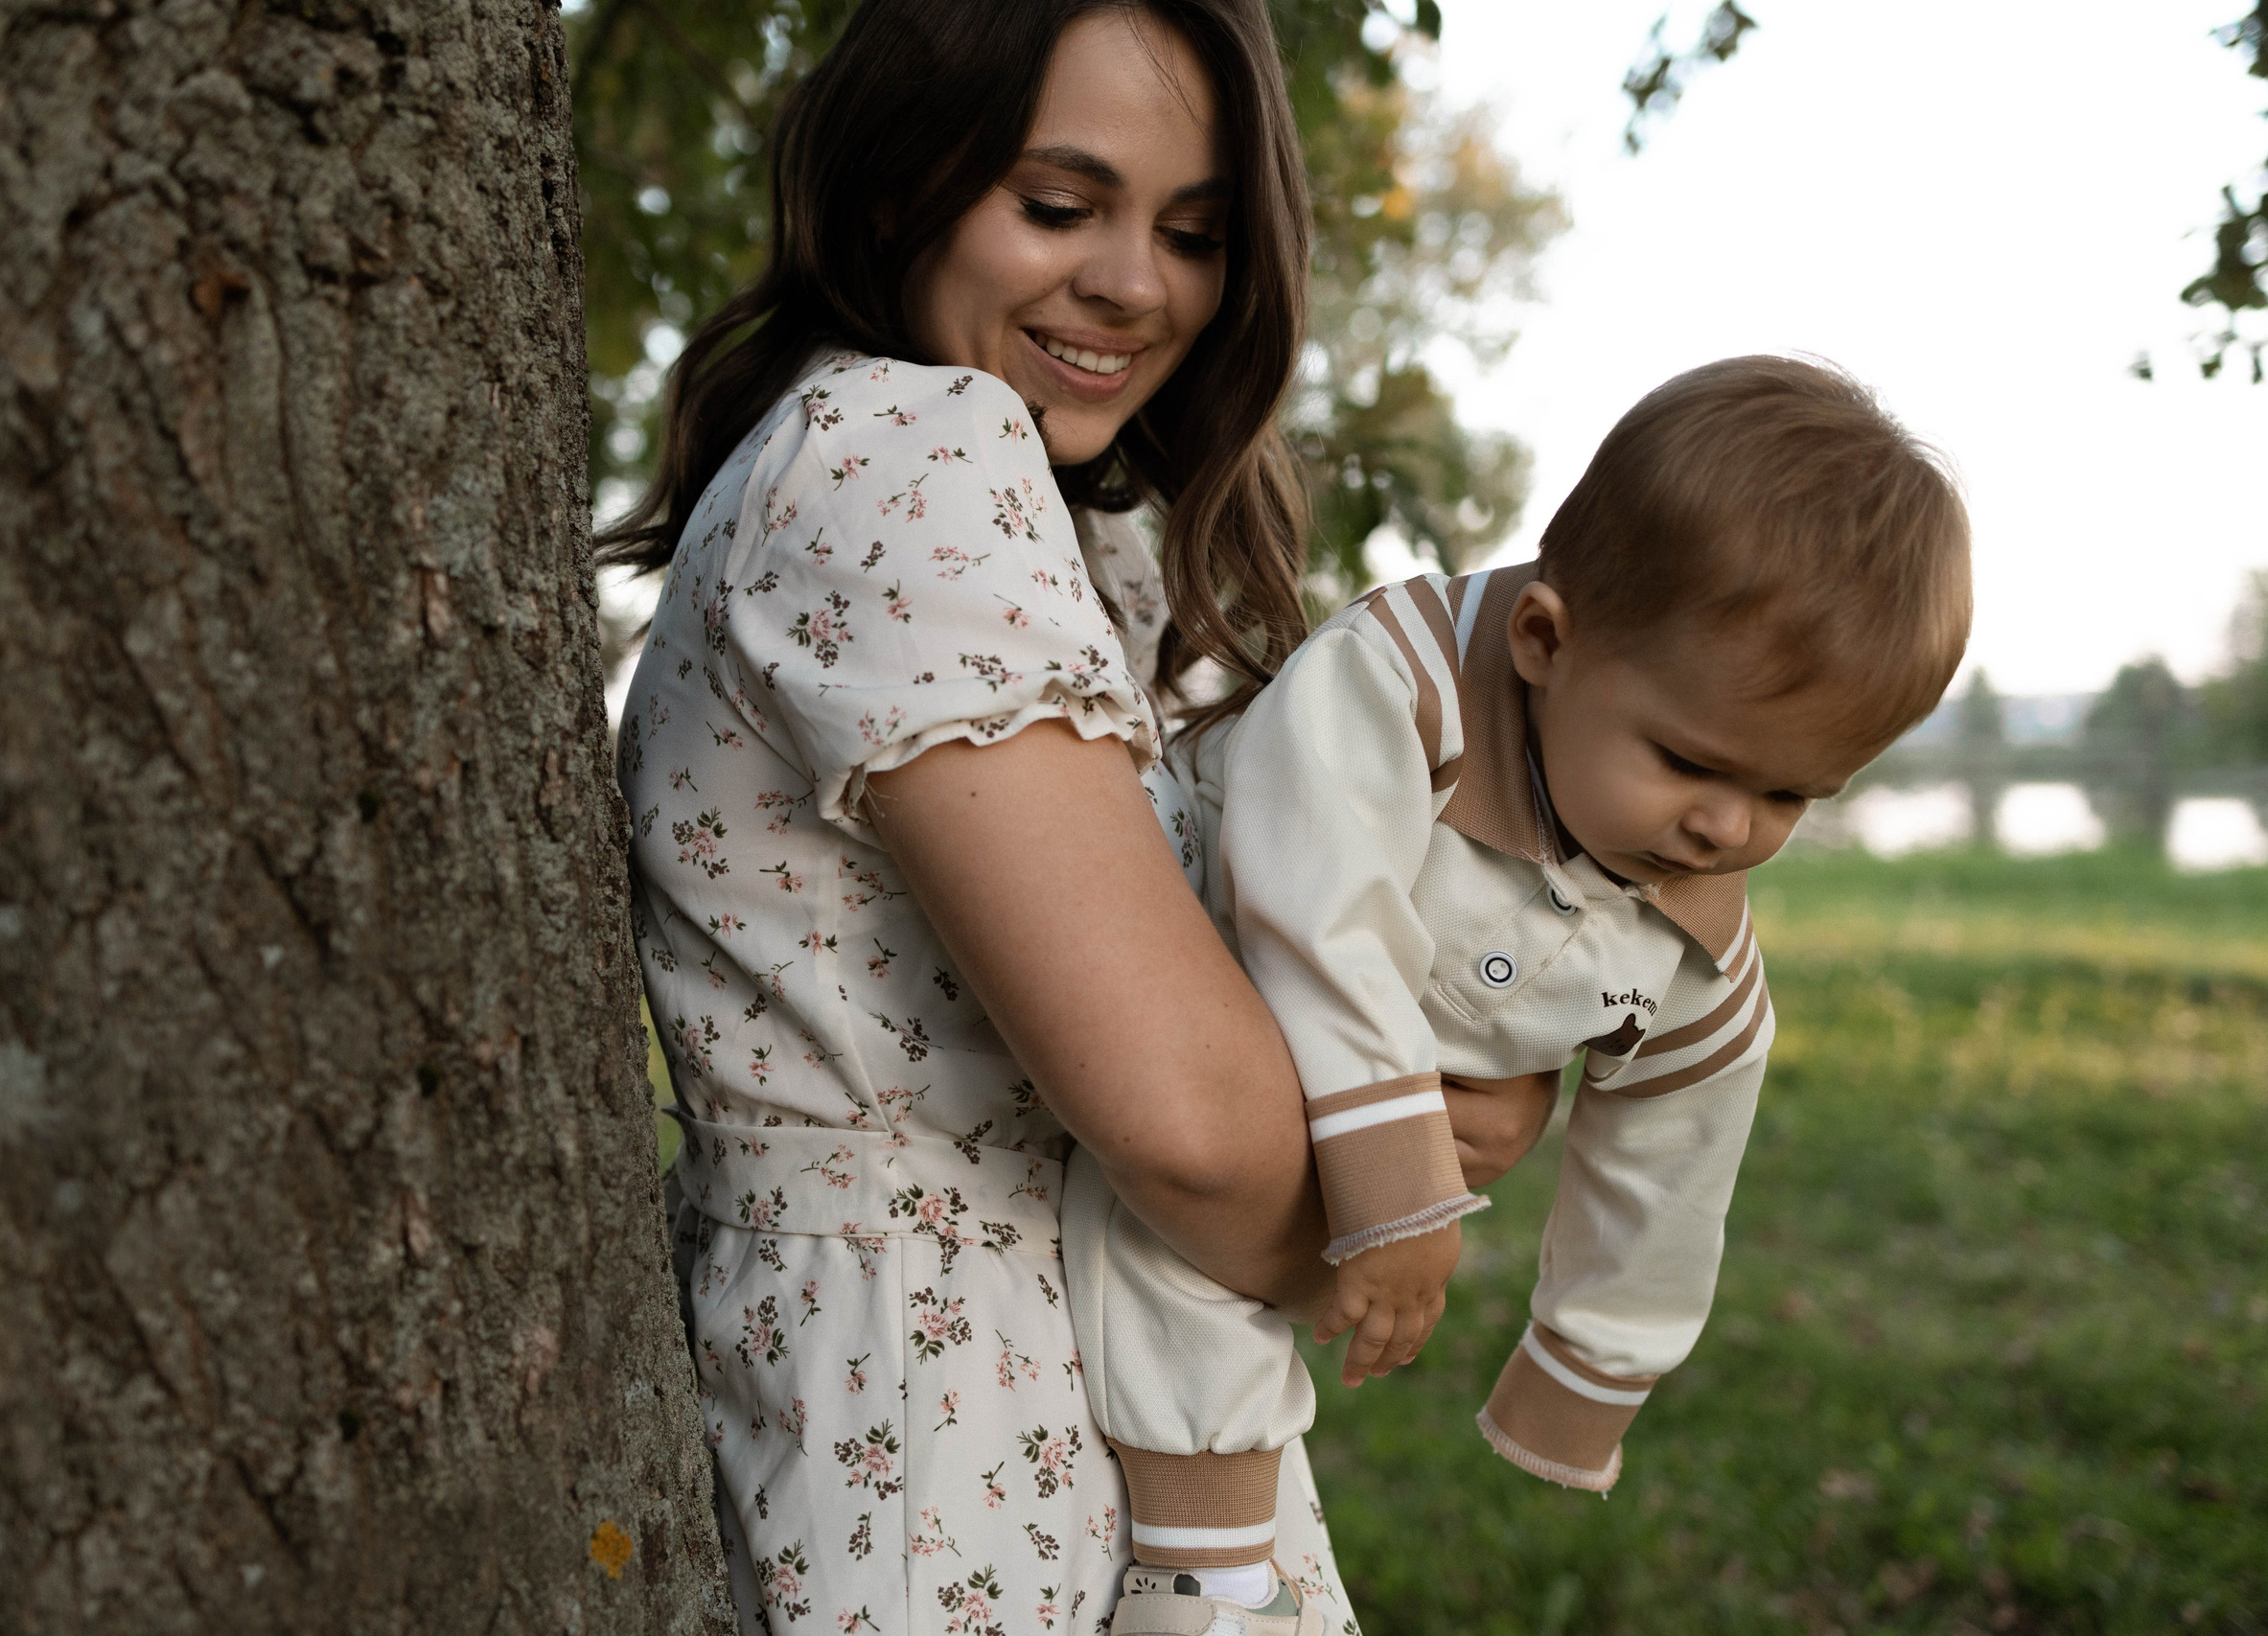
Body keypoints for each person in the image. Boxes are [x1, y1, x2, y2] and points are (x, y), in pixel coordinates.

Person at [606, 1, 1431, 1629]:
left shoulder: (1063, 519)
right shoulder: (909, 448)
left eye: (1194, 234)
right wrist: (1380, 1198)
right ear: (901, 179)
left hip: (1051, 1370)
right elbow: (1190, 1120)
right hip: (947, 1411)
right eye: (1059, 206)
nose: (1136, 283)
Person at [1065, 355, 1974, 1622]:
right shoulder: (1396, 686)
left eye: (1789, 795)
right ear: (1547, 641)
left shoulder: (1692, 953)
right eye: (1689, 762)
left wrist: (1586, 1370)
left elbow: (1675, 1164)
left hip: (1333, 1118)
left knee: (1245, 1269)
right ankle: (1199, 1568)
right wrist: (1401, 1193)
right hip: (1177, 1005)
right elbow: (1319, 906)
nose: (1725, 827)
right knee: (1176, 1247)